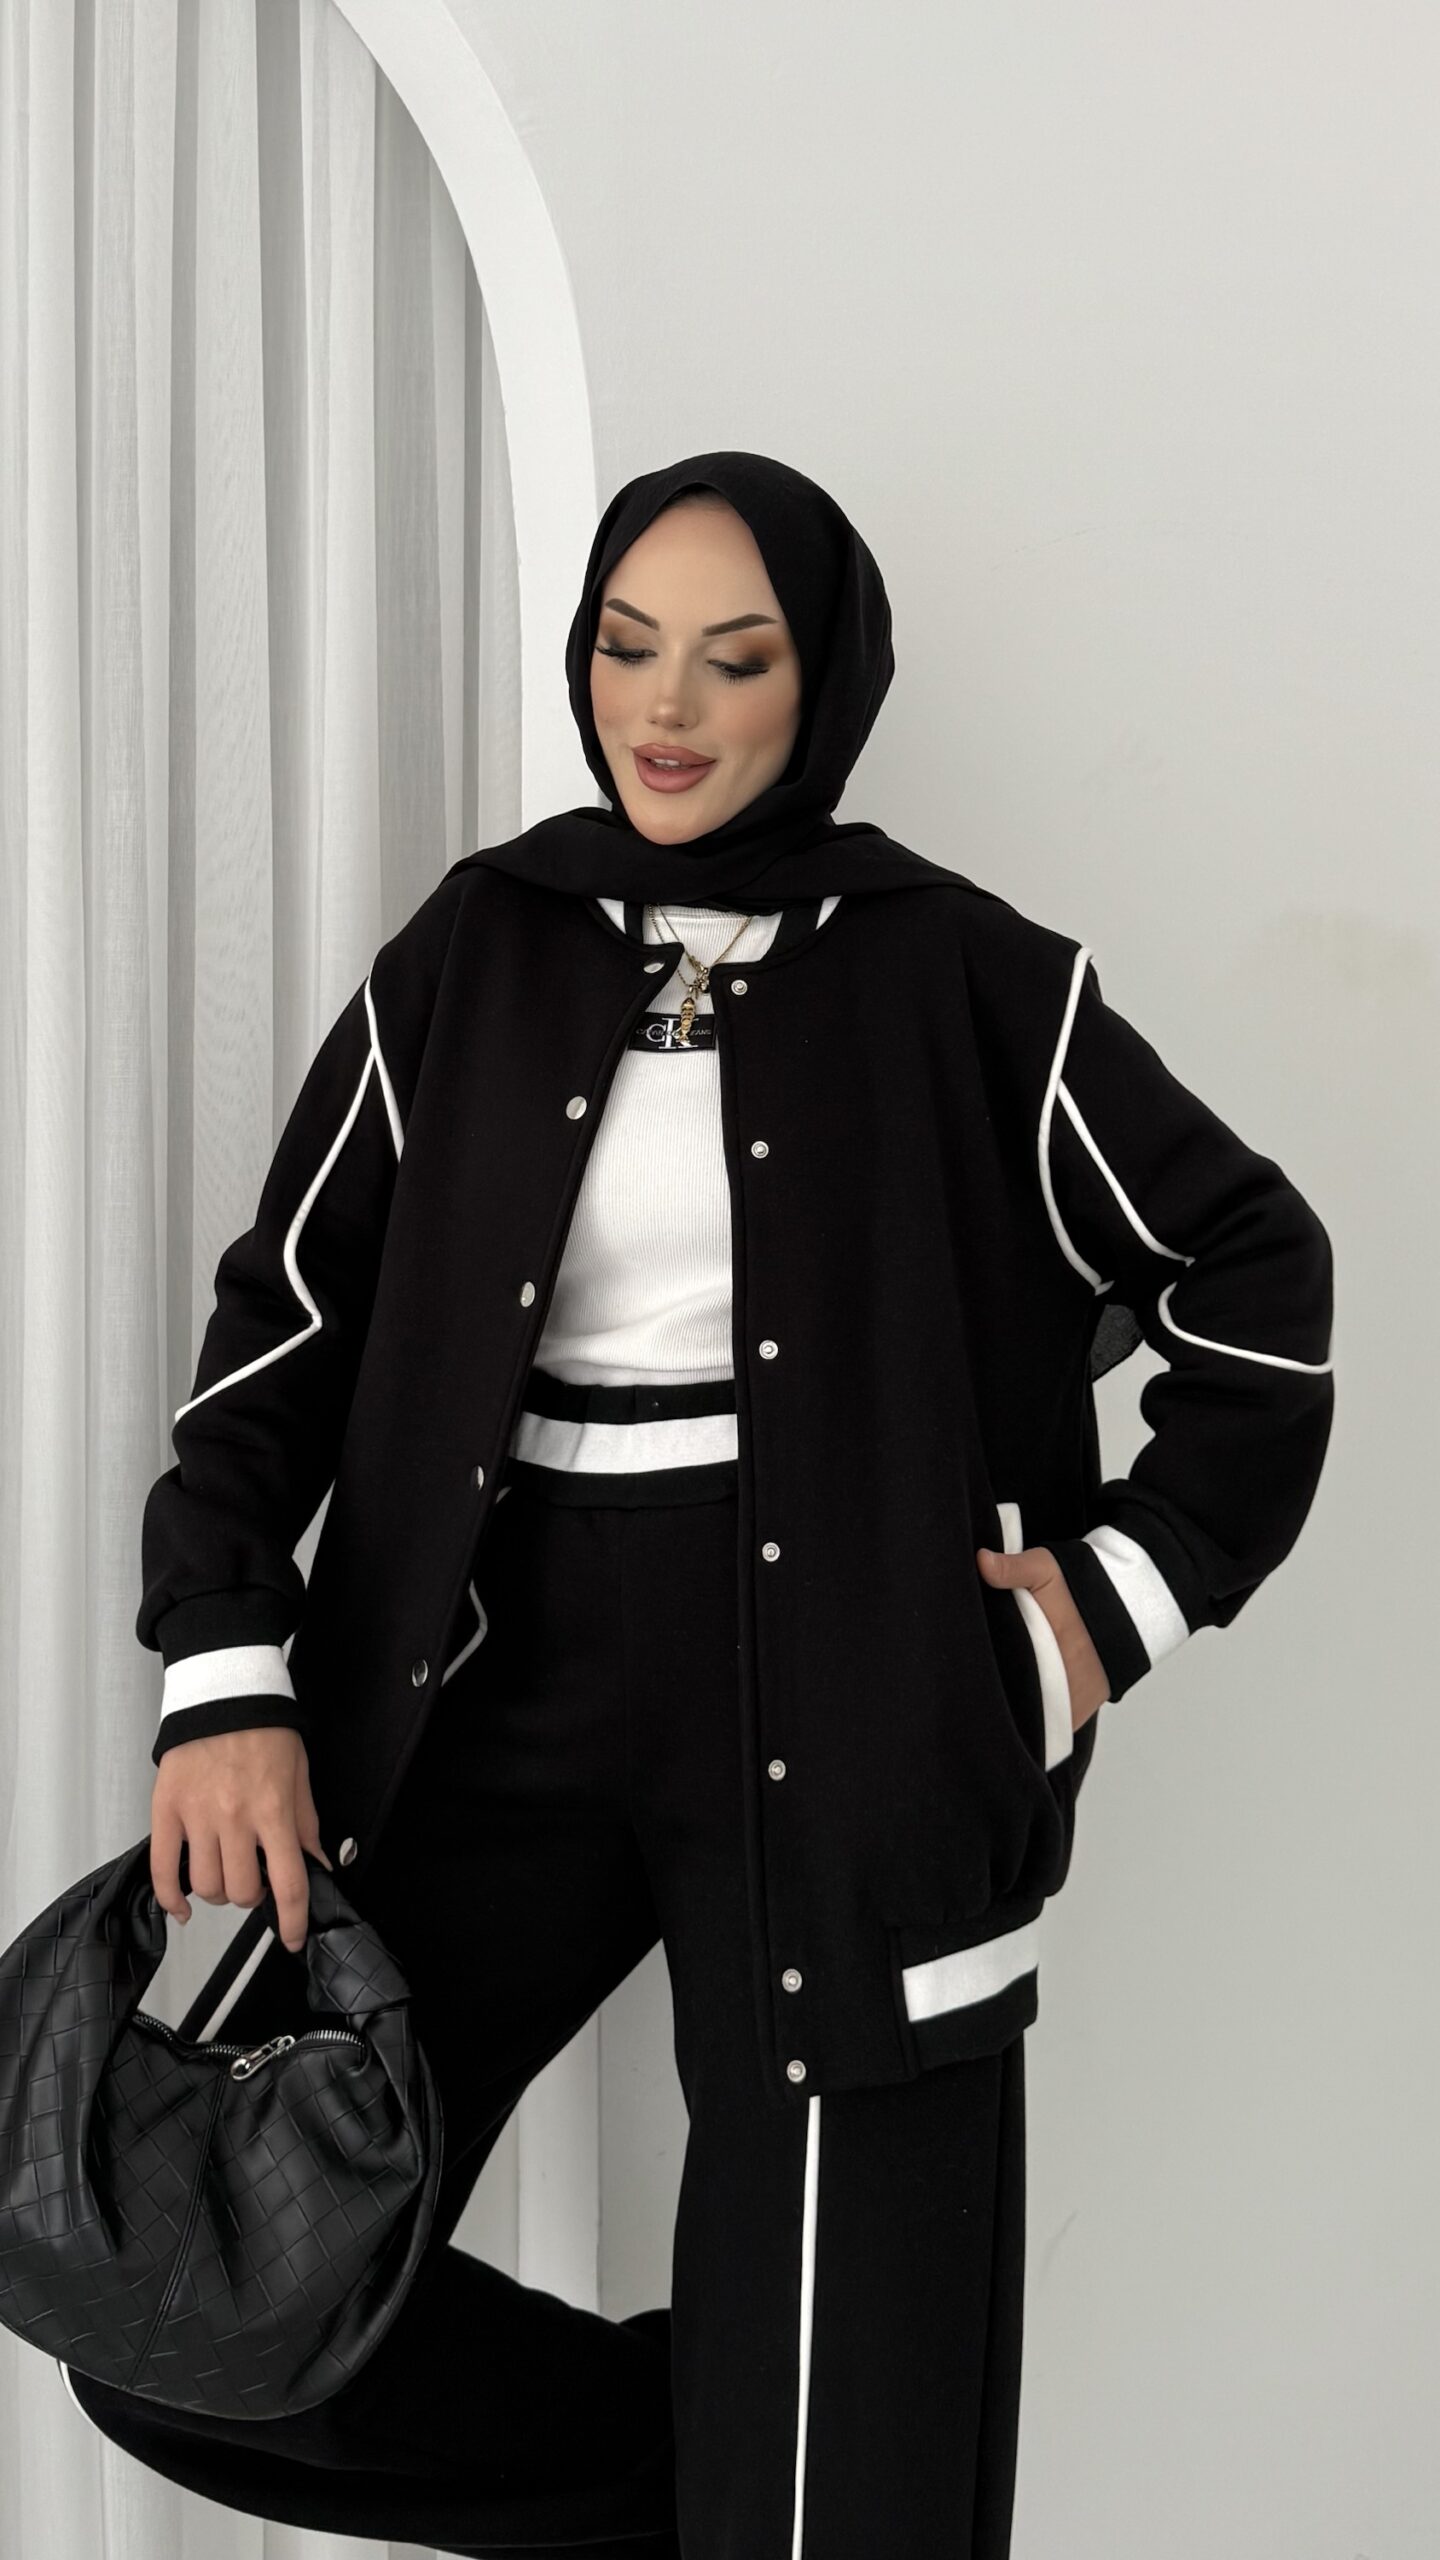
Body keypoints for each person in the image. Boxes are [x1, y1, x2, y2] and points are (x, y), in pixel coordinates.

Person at [65, 452, 1335, 2559]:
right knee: (184, 2287)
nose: (666, 706)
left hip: (863, 1706)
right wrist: (225, 1670)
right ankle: (738, 2465)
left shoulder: (967, 979)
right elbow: (284, 1314)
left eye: (735, 660)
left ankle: (816, 2470)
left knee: (850, 2485)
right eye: (626, 647)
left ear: (824, 682)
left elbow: (1259, 1278)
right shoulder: (478, 948)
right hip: (485, 1688)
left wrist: (1102, 1610)